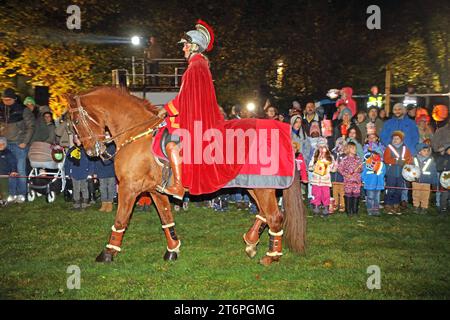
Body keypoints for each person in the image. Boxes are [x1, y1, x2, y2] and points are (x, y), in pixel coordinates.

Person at [155, 20, 224, 199]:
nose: (183, 49)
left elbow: (184, 98)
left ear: (194, 46)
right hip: (193, 116)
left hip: (196, 121)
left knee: (171, 145)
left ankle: (178, 186)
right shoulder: (197, 65)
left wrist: (165, 110)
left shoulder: (195, 67)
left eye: (185, 45)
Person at [0, 88, 35, 203]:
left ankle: (22, 194)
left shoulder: (23, 110)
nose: (6, 101)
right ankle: (12, 194)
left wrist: (25, 142)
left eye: (8, 99)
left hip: (19, 144)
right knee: (11, 170)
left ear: (14, 98)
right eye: (4, 99)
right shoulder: (1, 109)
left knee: (20, 169)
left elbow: (31, 126)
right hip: (5, 144)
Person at [383, 131, 413, 215]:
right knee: (390, 188)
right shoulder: (389, 148)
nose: (395, 140)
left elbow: (409, 158)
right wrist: (396, 161)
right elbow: (386, 159)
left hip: (401, 173)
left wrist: (406, 163)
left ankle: (396, 204)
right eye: (394, 138)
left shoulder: (405, 149)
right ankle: (388, 204)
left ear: (401, 140)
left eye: (397, 138)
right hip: (391, 172)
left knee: (398, 189)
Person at [64, 135, 95, 209]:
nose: (76, 139)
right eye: (75, 138)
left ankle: (85, 202)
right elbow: (67, 163)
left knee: (84, 188)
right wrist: (68, 173)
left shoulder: (86, 150)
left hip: (84, 172)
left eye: (78, 138)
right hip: (75, 173)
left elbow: (91, 162)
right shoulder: (71, 150)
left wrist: (90, 173)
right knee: (76, 188)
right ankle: (76, 203)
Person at [308, 137, 336, 217]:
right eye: (320, 147)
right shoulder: (315, 157)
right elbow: (310, 167)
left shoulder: (330, 158)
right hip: (316, 181)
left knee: (326, 195)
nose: (322, 149)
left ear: (326, 148)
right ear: (317, 148)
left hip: (325, 181)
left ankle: (326, 209)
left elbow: (333, 169)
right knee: (317, 194)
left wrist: (331, 165)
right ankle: (316, 209)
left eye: (323, 147)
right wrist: (315, 165)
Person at [362, 136, 386, 216]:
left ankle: (376, 209)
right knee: (370, 197)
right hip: (369, 183)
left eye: (377, 154)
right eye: (374, 154)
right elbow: (364, 173)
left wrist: (382, 181)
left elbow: (383, 173)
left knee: (377, 198)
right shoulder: (367, 163)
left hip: (379, 184)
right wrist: (363, 180)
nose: (375, 156)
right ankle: (370, 209)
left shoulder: (382, 164)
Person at [337, 141, 363, 216]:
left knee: (356, 195)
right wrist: (346, 174)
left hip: (356, 181)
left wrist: (359, 169)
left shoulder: (358, 159)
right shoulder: (345, 159)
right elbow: (339, 168)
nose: (354, 149)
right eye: (352, 148)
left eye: (355, 148)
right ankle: (348, 211)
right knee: (348, 194)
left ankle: (355, 211)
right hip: (348, 181)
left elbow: (361, 168)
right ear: (348, 149)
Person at [412, 143, 438, 213]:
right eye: (424, 151)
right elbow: (410, 169)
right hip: (416, 180)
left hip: (427, 181)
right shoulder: (414, 159)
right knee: (416, 193)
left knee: (425, 194)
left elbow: (434, 171)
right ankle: (416, 206)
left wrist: (434, 181)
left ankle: (424, 207)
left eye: (427, 151)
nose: (426, 152)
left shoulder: (431, 160)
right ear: (419, 151)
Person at [94, 142, 116, 213]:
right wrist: (95, 172)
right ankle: (104, 203)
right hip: (101, 171)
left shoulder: (112, 147)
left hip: (111, 171)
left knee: (111, 187)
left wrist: (102, 155)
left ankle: (109, 203)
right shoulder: (98, 147)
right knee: (102, 188)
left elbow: (110, 159)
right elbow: (96, 161)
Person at [0, 137, 18, 205]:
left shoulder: (8, 153)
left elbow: (13, 162)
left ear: (5, 145)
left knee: (5, 187)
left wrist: (13, 171)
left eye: (2, 144)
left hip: (5, 174)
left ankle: (6, 199)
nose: (0, 146)